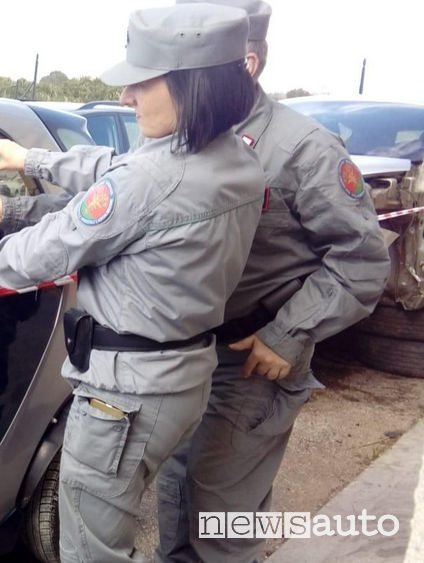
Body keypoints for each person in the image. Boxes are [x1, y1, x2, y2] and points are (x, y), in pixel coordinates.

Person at [0, 4, 264, 560]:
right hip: (182, 377)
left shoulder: (152, 178)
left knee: (92, 549)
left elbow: (60, 241)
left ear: (192, 86)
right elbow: (118, 171)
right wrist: (30, 164)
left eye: (140, 82)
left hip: (123, 399)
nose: (126, 99)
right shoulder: (234, 159)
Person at [151, 2, 391, 562]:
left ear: (247, 63)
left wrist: (289, 334)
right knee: (176, 490)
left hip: (254, 358)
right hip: (192, 354)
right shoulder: (184, 137)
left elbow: (362, 260)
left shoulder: (304, 149)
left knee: (220, 514)